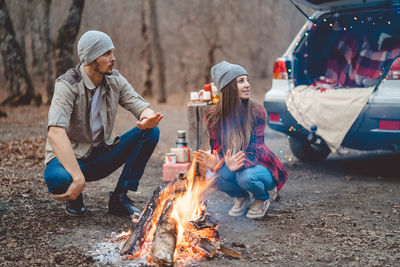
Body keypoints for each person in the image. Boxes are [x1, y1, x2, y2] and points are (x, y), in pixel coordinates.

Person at [43, 30, 163, 217]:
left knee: (151, 131)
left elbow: (139, 105)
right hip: (70, 160)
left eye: (112, 53)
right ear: (91, 59)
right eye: (107, 54)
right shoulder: (67, 84)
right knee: (58, 179)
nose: (113, 58)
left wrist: (148, 117)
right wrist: (77, 178)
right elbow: (55, 133)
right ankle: (75, 197)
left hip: (100, 156)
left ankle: (119, 198)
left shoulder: (114, 79)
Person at [194, 61, 288, 219]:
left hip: (260, 166)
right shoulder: (213, 115)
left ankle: (262, 198)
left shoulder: (257, 112)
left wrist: (233, 166)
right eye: (240, 81)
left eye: (247, 80)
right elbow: (217, 147)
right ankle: (241, 197)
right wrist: (217, 163)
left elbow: (255, 151)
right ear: (228, 88)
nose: (247, 85)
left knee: (244, 177)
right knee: (212, 176)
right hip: (235, 164)